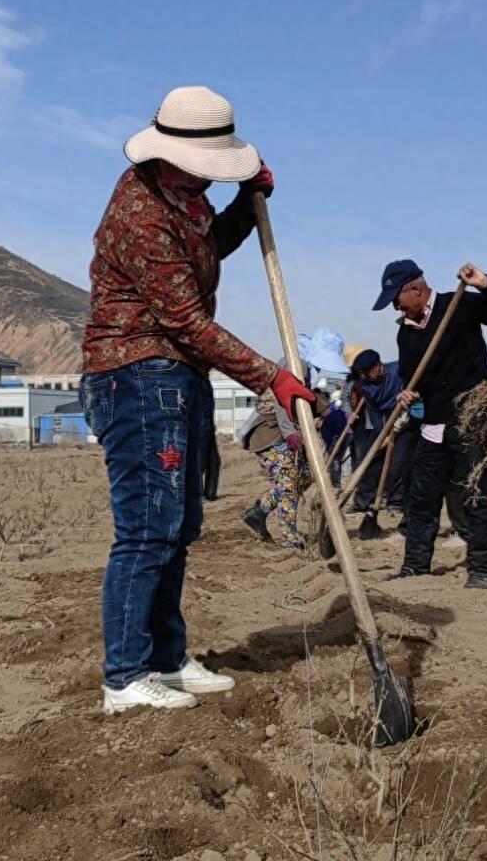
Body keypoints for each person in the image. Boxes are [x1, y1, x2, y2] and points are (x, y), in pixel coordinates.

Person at [80, 86, 316, 715]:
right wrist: (271, 376)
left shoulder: (185, 198)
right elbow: (187, 321)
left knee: (179, 526)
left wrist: (247, 199)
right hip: (136, 375)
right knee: (146, 529)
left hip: (176, 377)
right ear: (170, 156)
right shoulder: (141, 214)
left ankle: (165, 657)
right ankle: (125, 676)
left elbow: (210, 252)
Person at [376, 260, 487, 588]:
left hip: (471, 418)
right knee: (422, 498)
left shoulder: (459, 305)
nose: (395, 307)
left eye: (396, 299)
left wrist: (483, 281)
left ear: (415, 289)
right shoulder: (405, 331)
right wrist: (409, 393)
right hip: (433, 424)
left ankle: (481, 568)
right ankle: (415, 566)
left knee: (476, 495)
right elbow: (414, 375)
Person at [240, 330, 347, 548]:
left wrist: (329, 413)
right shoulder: (296, 364)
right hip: (270, 433)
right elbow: (282, 400)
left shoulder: (306, 370)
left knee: (303, 478)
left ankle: (258, 511)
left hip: (282, 432)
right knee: (288, 485)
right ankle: (289, 539)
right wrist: (290, 432)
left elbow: (307, 399)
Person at [348, 349, 416, 512]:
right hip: (384, 419)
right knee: (371, 459)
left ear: (378, 366)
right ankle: (362, 501)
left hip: (404, 415)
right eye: (361, 374)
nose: (364, 377)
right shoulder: (367, 386)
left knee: (397, 463)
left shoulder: (398, 370)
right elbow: (373, 411)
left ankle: (395, 501)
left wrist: (398, 424)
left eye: (366, 372)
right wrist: (382, 435)